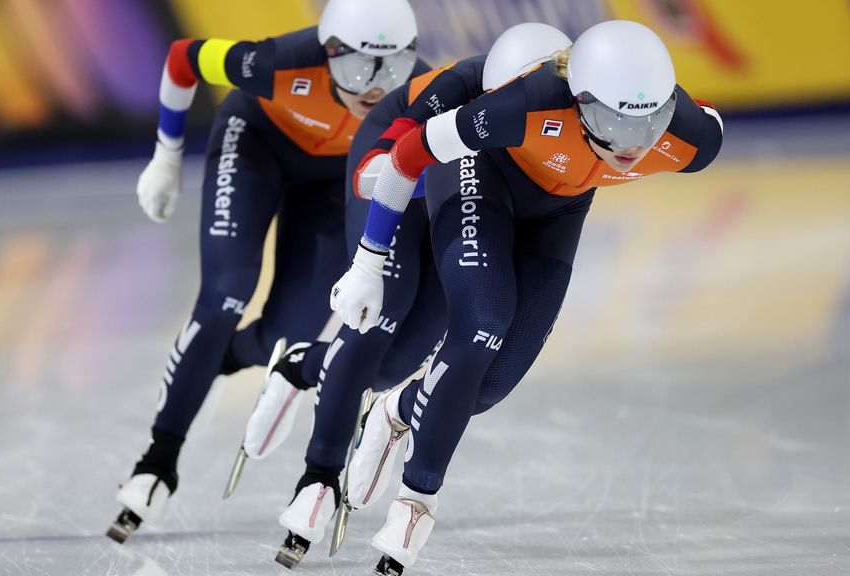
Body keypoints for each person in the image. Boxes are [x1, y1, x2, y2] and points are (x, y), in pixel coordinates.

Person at [331, 20, 724, 574]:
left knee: (489, 385)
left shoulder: (688, 140)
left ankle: (398, 408)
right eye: (612, 123)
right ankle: (416, 503)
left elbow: (705, 117)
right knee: (482, 325)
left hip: (560, 211)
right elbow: (408, 157)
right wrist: (369, 261)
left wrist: (654, 117)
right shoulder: (523, 105)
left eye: (649, 123)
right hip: (480, 172)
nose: (633, 147)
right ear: (578, 101)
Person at [231, 22, 576, 568]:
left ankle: (305, 365)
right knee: (381, 313)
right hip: (403, 165)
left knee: (399, 365)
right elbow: (390, 169)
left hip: (466, 172)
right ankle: (317, 476)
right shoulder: (462, 93)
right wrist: (369, 259)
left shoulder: (583, 112)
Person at [107, 0, 427, 544]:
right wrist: (166, 154)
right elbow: (184, 58)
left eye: (392, 68)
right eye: (356, 68)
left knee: (289, 335)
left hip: (332, 179)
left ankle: (225, 356)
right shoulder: (276, 61)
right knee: (226, 292)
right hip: (256, 147)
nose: (374, 87)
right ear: (326, 55)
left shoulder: (422, 90)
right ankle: (157, 460)